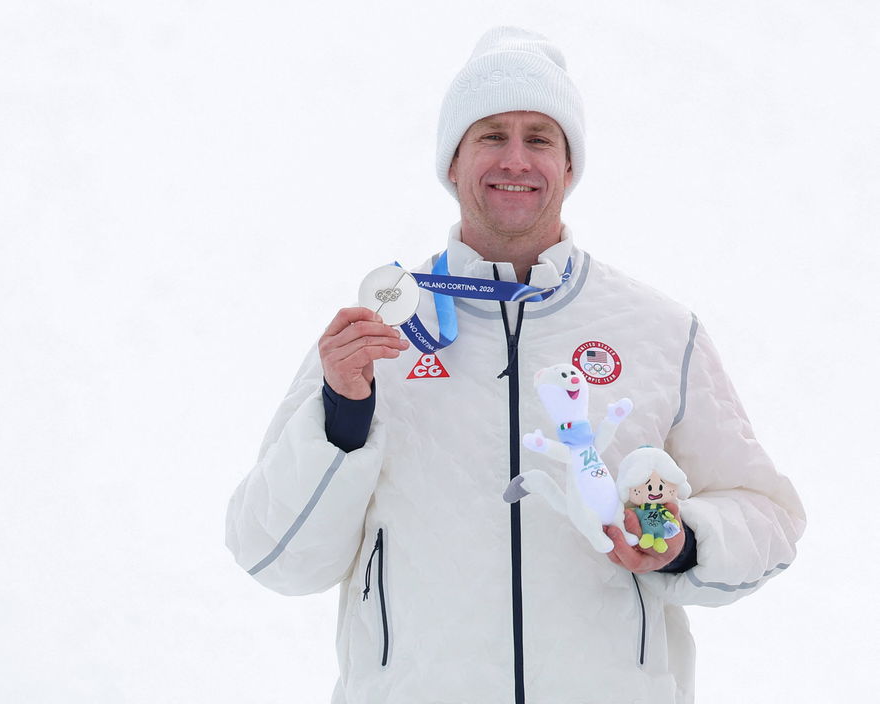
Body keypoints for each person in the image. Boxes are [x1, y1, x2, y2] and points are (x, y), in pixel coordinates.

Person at [225, 27, 805, 704]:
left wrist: (683, 544)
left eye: (540, 138)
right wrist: (343, 416)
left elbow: (766, 515)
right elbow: (274, 556)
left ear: (569, 166)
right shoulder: (381, 329)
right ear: (452, 162)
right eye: (491, 135)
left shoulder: (659, 332)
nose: (515, 160)